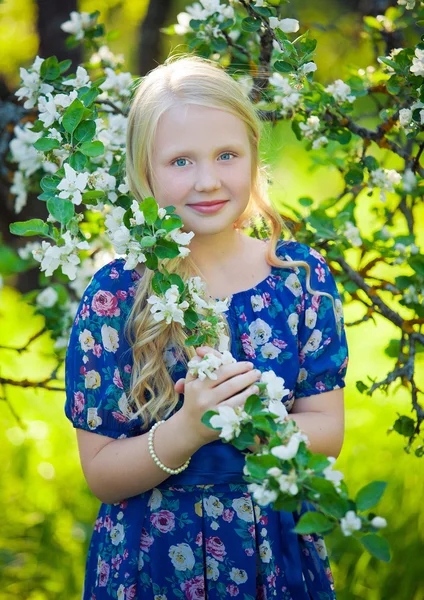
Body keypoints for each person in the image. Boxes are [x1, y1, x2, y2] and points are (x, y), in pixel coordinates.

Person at [65, 54, 349, 600]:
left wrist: (259, 425)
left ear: (252, 157)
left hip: (274, 548)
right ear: (144, 172)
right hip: (153, 560)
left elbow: (326, 432)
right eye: (180, 162)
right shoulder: (116, 298)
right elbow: (100, 472)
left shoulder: (298, 277)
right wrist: (188, 429)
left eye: (226, 155)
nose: (208, 181)